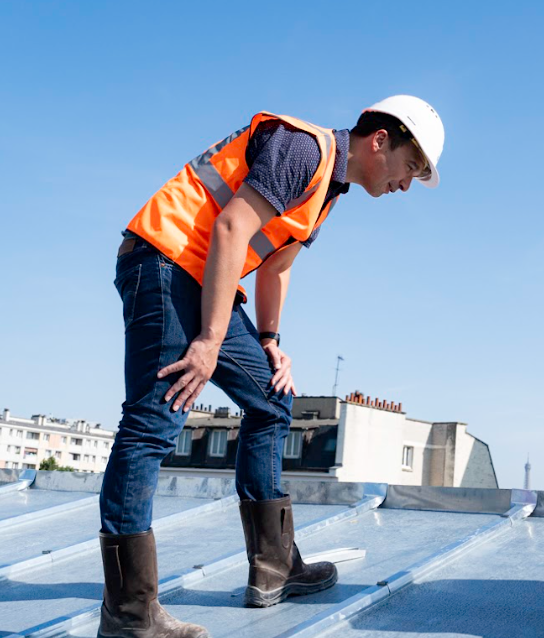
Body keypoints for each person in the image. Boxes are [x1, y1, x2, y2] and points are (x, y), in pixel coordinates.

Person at [97, 96, 444, 638]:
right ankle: (128, 613)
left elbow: (276, 268)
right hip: (164, 261)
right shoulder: (302, 148)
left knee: (271, 396)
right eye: (413, 168)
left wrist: (269, 339)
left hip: (202, 276)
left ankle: (274, 567)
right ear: (382, 140)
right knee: (154, 418)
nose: (407, 185)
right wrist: (211, 338)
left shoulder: (329, 188)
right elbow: (233, 228)